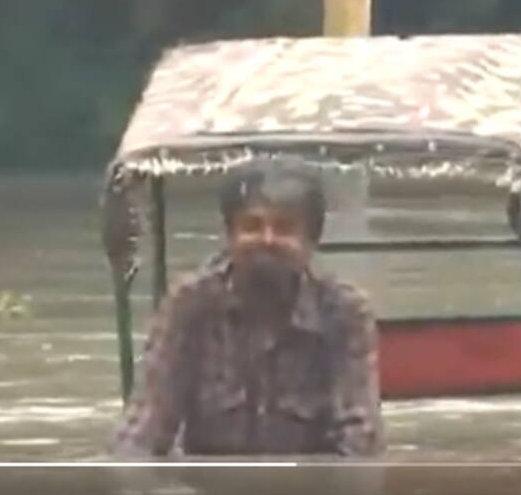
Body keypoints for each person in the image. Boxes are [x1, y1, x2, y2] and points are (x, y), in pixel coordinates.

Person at [113, 158, 383, 457]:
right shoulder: (191, 303)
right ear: (231, 236)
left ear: (310, 242)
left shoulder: (342, 311)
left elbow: (360, 441)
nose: (267, 240)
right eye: (252, 226)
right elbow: (144, 429)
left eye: (284, 228)